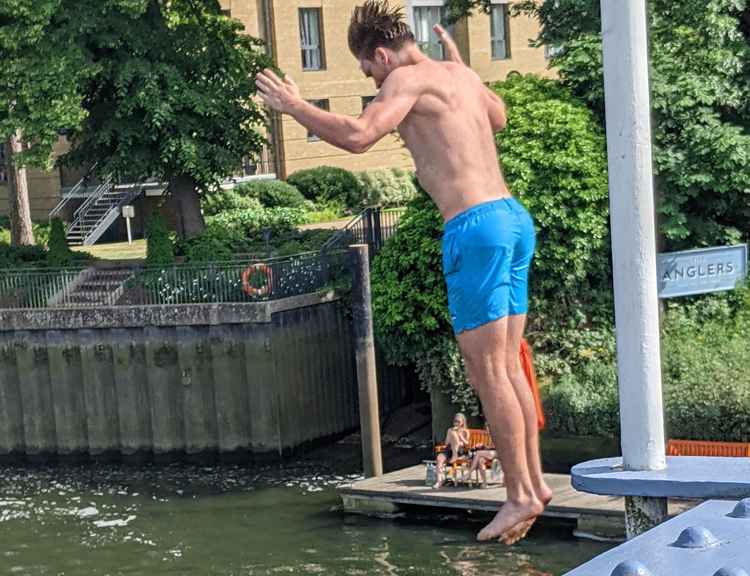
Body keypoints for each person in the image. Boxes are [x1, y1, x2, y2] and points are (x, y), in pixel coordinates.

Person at [255, 0, 551, 545]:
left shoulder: (405, 82)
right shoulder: (456, 73)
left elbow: (359, 135)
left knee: (488, 373)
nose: (372, 83)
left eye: (368, 72)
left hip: (475, 227)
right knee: (507, 367)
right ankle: (531, 485)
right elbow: (498, 115)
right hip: (513, 218)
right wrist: (464, 68)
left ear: (383, 55)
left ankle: (520, 494)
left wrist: (295, 106)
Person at [433, 412, 471, 489]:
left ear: (463, 422)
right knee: (439, 458)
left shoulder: (465, 431)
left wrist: (460, 435)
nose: (456, 423)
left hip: (460, 451)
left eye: (458, 421)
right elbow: (446, 443)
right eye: (455, 421)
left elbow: (467, 444)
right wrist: (451, 436)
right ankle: (439, 481)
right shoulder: (450, 429)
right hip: (449, 449)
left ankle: (455, 455)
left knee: (454, 434)